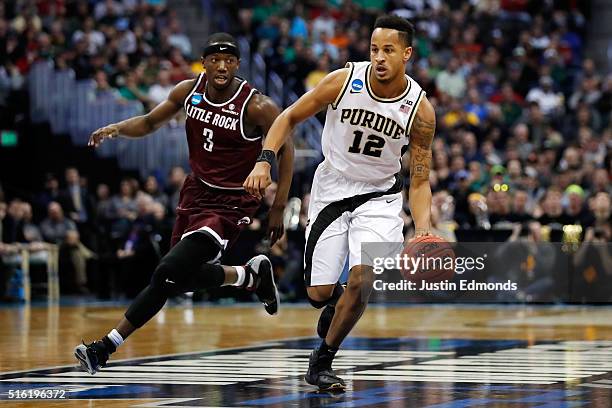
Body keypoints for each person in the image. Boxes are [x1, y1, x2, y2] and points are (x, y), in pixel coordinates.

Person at [75, 33, 294, 375]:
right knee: (177, 279)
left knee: (165, 272)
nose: (222, 66)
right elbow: (149, 122)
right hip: (194, 194)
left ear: (237, 65)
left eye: (229, 60)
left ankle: (104, 347)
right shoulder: (187, 91)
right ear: (204, 63)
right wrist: (117, 127)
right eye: (215, 59)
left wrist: (278, 206)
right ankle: (247, 277)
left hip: (230, 204)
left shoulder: (257, 104)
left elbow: (288, 145)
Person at [245, 15, 435, 391]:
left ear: (407, 54)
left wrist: (424, 229)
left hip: (380, 196)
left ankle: (322, 360)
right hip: (332, 187)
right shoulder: (344, 81)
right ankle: (334, 305)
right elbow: (288, 116)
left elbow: (421, 179)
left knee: (363, 279)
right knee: (318, 294)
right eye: (374, 49)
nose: (379, 57)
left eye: (389, 50)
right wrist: (264, 159)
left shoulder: (420, 110)